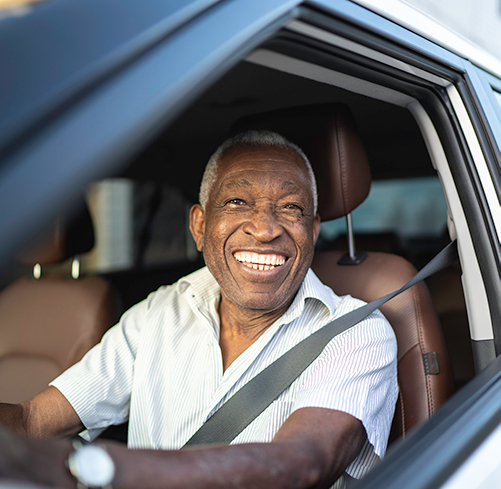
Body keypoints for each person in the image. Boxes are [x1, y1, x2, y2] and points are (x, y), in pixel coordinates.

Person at [0, 130, 398, 489]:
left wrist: (103, 469)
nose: (264, 228)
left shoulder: (355, 331)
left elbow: (302, 464)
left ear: (312, 231)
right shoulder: (161, 310)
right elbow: (33, 420)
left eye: (290, 207)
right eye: (238, 201)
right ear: (199, 226)